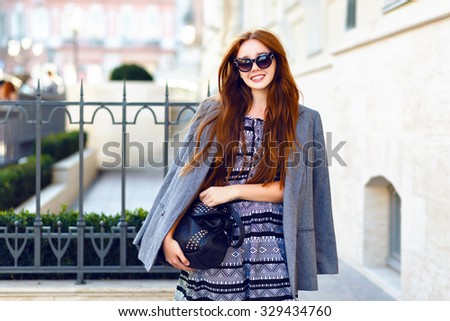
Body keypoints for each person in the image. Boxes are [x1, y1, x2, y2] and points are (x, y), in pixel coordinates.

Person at [134, 29, 338, 301]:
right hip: (215, 238)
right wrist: (167, 237)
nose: (255, 68)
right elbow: (182, 179)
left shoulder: (303, 119)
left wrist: (233, 191)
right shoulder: (213, 112)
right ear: (236, 69)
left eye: (263, 59)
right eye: (245, 62)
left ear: (278, 61)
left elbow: (292, 190)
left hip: (270, 245)